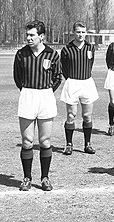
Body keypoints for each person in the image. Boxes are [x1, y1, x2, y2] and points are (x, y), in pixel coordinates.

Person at [13, 20, 62, 191]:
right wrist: (28, 90)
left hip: (46, 96)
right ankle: (27, 178)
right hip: (27, 95)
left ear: (41, 37)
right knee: (27, 141)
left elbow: (58, 77)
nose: (28, 38)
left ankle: (45, 178)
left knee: (45, 140)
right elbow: (17, 77)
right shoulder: (21, 54)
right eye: (27, 34)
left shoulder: (52, 54)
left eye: (32, 35)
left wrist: (47, 91)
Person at [60, 21, 99, 155]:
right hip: (72, 83)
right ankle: (69, 144)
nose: (80, 34)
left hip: (87, 83)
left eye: (83, 32)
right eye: (78, 32)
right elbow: (63, 67)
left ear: (86, 33)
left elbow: (90, 64)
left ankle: (87, 144)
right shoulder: (66, 49)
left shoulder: (90, 48)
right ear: (73, 33)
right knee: (71, 115)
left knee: (87, 116)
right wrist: (71, 79)